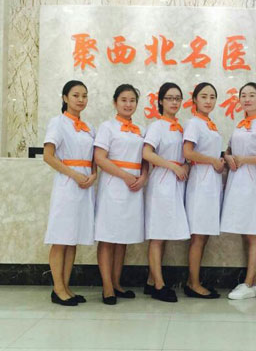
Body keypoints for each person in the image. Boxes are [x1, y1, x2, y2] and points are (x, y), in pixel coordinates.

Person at [43, 80, 97, 306]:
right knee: (60, 238)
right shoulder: (58, 123)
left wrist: (93, 174)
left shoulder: (88, 127)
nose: (81, 99)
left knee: (73, 238)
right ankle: (58, 289)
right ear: (65, 98)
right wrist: (74, 175)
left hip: (85, 186)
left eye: (84, 95)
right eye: (76, 95)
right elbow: (48, 156)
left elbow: (94, 158)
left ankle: (66, 287)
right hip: (67, 185)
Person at [221, 82, 256, 300]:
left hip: (252, 180)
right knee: (246, 231)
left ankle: (248, 283)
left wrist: (244, 159)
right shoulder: (241, 123)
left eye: (252, 95)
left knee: (253, 232)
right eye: (243, 95)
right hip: (237, 180)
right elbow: (229, 150)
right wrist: (228, 157)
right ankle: (254, 283)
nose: (247, 99)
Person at [94, 84, 148, 305]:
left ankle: (117, 283)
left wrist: (143, 177)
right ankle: (107, 286)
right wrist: (125, 176)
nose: (128, 104)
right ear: (115, 102)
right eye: (124, 100)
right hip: (113, 185)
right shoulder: (107, 127)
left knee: (123, 236)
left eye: (132, 100)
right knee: (108, 236)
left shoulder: (141, 130)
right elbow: (100, 158)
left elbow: (146, 158)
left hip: (134, 187)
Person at [143, 82, 190, 302]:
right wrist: (172, 166)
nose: (174, 102)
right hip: (162, 182)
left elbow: (186, 154)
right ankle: (159, 286)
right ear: (160, 101)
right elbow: (147, 153)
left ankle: (151, 281)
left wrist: (185, 166)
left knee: (165, 233)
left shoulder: (180, 128)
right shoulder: (157, 126)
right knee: (158, 234)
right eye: (169, 98)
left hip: (176, 183)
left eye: (177, 98)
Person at [183, 82, 224, 299]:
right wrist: (213, 161)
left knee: (204, 234)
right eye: (204, 96)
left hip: (211, 182)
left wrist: (221, 160)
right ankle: (194, 284)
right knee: (198, 235)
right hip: (200, 182)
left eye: (212, 97)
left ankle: (193, 280)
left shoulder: (210, 124)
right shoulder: (194, 123)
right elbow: (188, 152)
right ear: (195, 100)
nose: (208, 101)